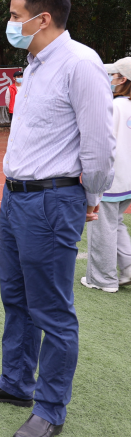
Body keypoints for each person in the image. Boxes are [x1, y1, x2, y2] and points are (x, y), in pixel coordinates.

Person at [0, 0, 114, 437]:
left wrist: (90, 198)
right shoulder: (34, 65)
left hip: (52, 199)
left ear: (42, 18)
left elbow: (99, 146)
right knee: (16, 298)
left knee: (52, 310)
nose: (9, 24)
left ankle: (49, 408)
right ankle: (15, 382)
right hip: (15, 197)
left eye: (15, 16)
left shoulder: (80, 64)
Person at [82, 57, 131, 293]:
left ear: (123, 80)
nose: (109, 78)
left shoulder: (114, 107)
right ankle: (128, 267)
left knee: (102, 228)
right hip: (127, 180)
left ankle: (103, 279)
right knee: (116, 223)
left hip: (111, 178)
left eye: (113, 75)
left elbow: (102, 143)